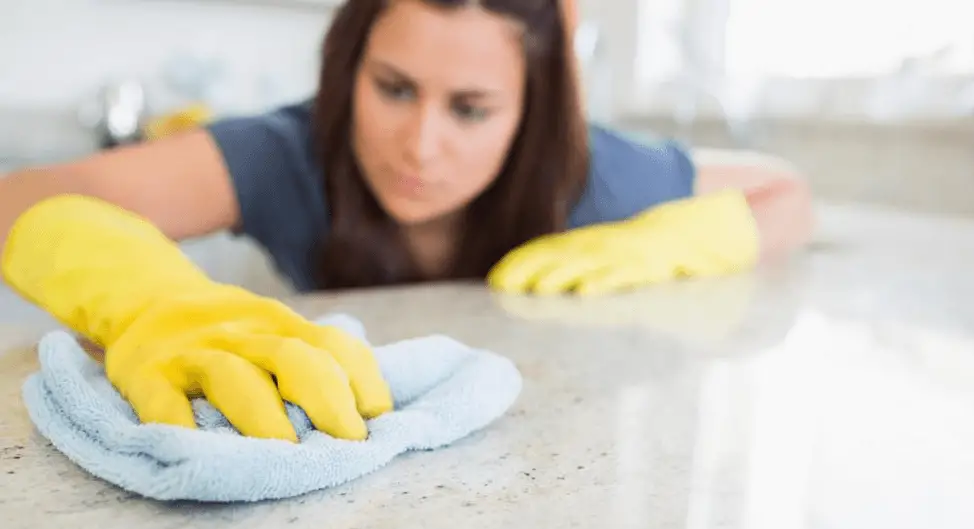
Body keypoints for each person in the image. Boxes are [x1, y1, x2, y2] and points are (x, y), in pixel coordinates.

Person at [0, 0, 813, 441]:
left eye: (470, 108)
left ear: (529, 110)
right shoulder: (288, 154)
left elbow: (783, 194)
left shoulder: (584, 173)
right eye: (392, 88)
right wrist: (146, 297)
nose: (420, 145)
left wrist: (675, 240)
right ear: (348, 70)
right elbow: (19, 197)